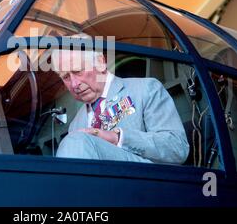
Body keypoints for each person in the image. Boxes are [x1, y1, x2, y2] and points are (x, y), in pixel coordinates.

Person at [51, 43, 189, 164]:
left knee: (76, 142)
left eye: (78, 71)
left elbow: (177, 148)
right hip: (98, 190)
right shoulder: (75, 125)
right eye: (66, 77)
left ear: (100, 62)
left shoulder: (145, 89)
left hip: (146, 186)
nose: (74, 84)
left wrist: (118, 138)